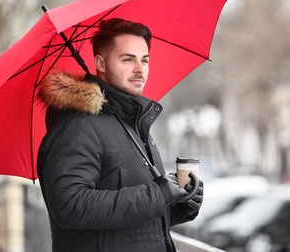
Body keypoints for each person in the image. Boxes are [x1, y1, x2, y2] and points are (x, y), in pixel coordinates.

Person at [36, 18, 204, 252]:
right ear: (100, 63)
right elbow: (69, 207)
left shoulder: (132, 124)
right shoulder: (76, 126)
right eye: (128, 59)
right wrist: (157, 193)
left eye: (144, 60)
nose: (140, 69)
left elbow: (130, 225)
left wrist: (177, 205)